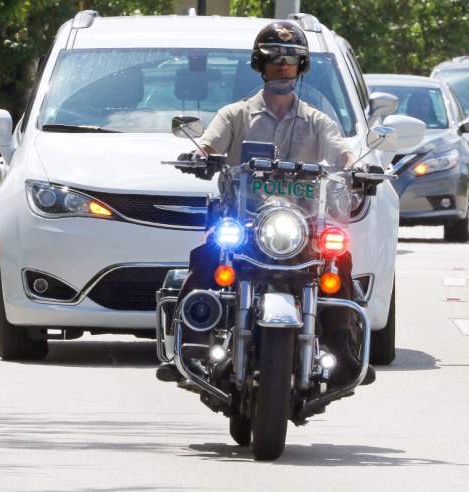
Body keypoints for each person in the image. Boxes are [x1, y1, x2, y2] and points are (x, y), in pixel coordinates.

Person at [157, 21, 374, 387]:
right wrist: (202, 155)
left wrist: (357, 168)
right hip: (246, 224)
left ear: (302, 66)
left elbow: (342, 152)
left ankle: (344, 347)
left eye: (291, 59)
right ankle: (190, 340)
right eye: (274, 57)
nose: (282, 65)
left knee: (339, 261)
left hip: (301, 227)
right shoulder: (235, 114)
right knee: (208, 256)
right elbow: (210, 143)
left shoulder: (318, 121)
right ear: (260, 63)